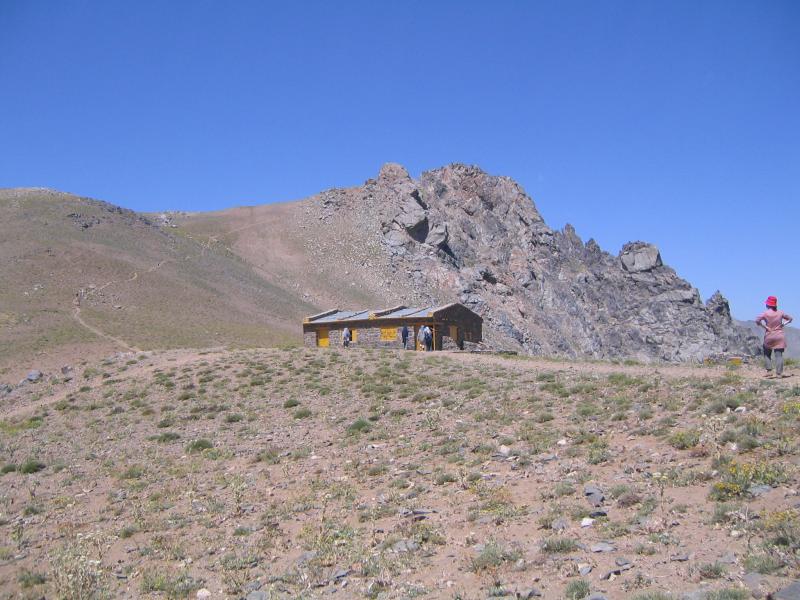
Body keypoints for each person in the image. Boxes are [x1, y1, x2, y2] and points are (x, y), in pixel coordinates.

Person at [755, 296, 793, 378]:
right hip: (779, 335)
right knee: (779, 355)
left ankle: (769, 371)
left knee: (767, 353)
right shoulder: (781, 313)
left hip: (769, 335)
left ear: (768, 304)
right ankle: (779, 373)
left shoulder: (765, 313)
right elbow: (790, 319)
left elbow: (757, 321)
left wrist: (765, 327)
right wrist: (783, 324)